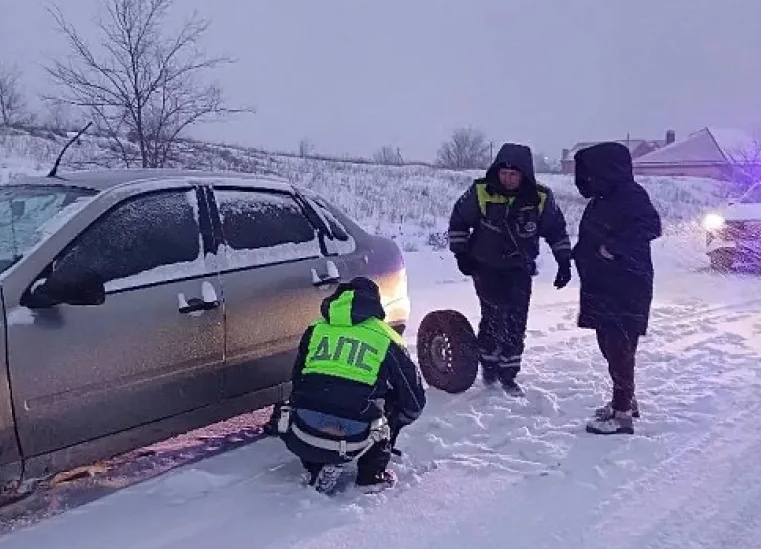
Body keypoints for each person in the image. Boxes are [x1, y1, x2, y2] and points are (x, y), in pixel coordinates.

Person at [268, 277, 426, 492]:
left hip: (303, 430)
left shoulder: (316, 329)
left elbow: (297, 378)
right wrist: (398, 419)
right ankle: (371, 473)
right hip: (355, 432)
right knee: (391, 400)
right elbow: (414, 397)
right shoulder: (385, 336)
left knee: (317, 395)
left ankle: (316, 464)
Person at [447, 142, 572, 396]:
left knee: (516, 320)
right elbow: (459, 220)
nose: (507, 178)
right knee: (493, 316)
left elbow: (556, 229)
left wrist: (563, 260)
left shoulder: (540, 198)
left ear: (524, 174)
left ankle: (509, 374)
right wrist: (461, 254)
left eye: (514, 174)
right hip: (486, 266)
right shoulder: (481, 191)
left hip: (519, 268)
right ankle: (489, 368)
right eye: (503, 173)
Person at [571, 141, 662, 434]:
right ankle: (624, 399)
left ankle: (622, 413)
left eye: (591, 172)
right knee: (609, 346)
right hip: (603, 285)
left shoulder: (630, 195)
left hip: (625, 285)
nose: (587, 178)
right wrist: (579, 254)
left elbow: (650, 226)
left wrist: (614, 248)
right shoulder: (602, 199)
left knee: (620, 347)